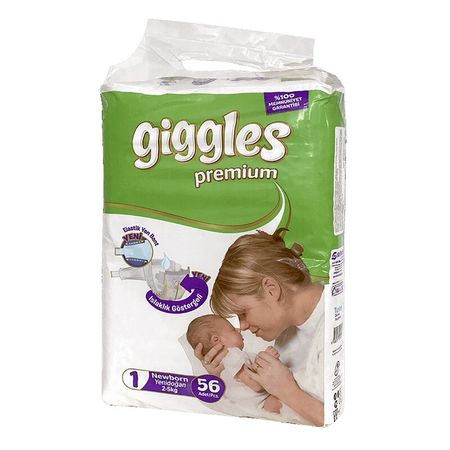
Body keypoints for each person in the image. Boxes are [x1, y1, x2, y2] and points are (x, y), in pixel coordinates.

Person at [194, 229, 325, 426]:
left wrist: (287, 391)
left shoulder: (337, 322)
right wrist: (224, 377)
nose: (243, 326)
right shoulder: (286, 334)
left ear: (271, 290)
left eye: (243, 313)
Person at [186, 314, 283, 414]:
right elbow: (256, 385)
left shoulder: (220, 367)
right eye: (233, 330)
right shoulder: (233, 356)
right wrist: (267, 360)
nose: (238, 330)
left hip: (251, 407)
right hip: (264, 401)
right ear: (217, 340)